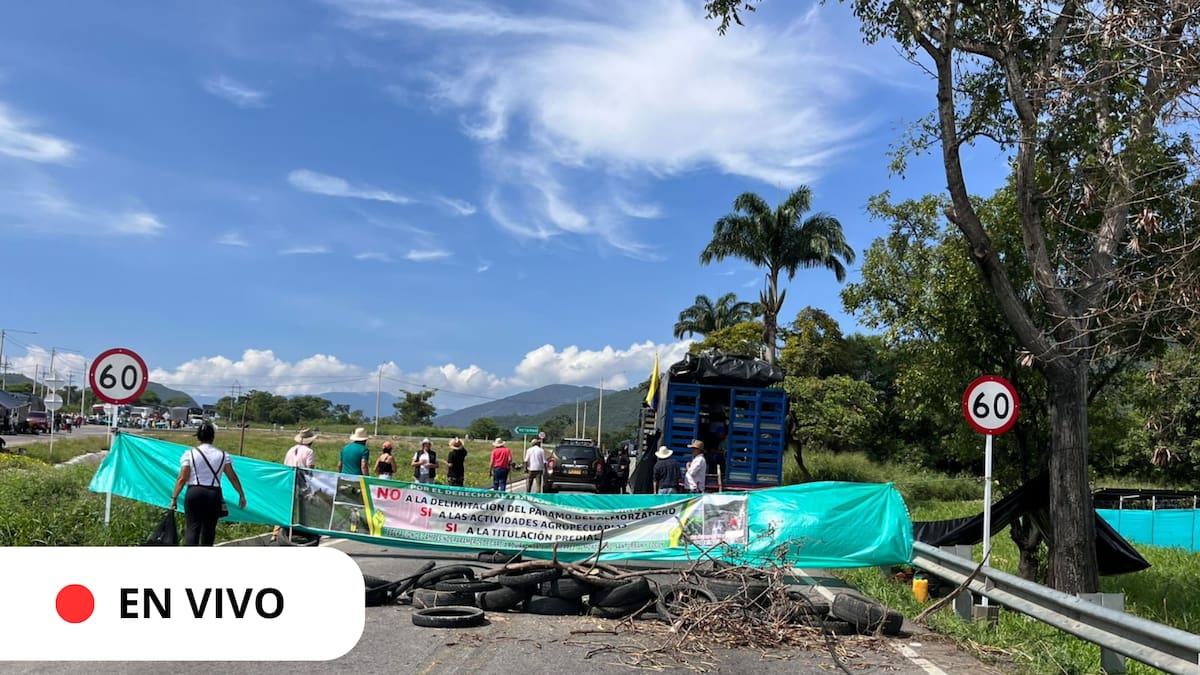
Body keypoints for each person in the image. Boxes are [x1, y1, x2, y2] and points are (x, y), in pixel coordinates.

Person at [169, 422, 247, 547]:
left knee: (192, 528)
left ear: (199, 437)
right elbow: (232, 476)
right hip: (213, 494)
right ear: (213, 437)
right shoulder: (223, 455)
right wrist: (241, 494)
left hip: (194, 492)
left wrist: (174, 498)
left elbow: (182, 478)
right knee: (209, 530)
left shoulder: (189, 454)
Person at [273, 428, 318, 542]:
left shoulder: (291, 450)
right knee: (301, 507)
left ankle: (275, 533)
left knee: (285, 506)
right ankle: (301, 531)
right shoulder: (309, 452)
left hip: (287, 480)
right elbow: (309, 469)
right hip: (300, 482)